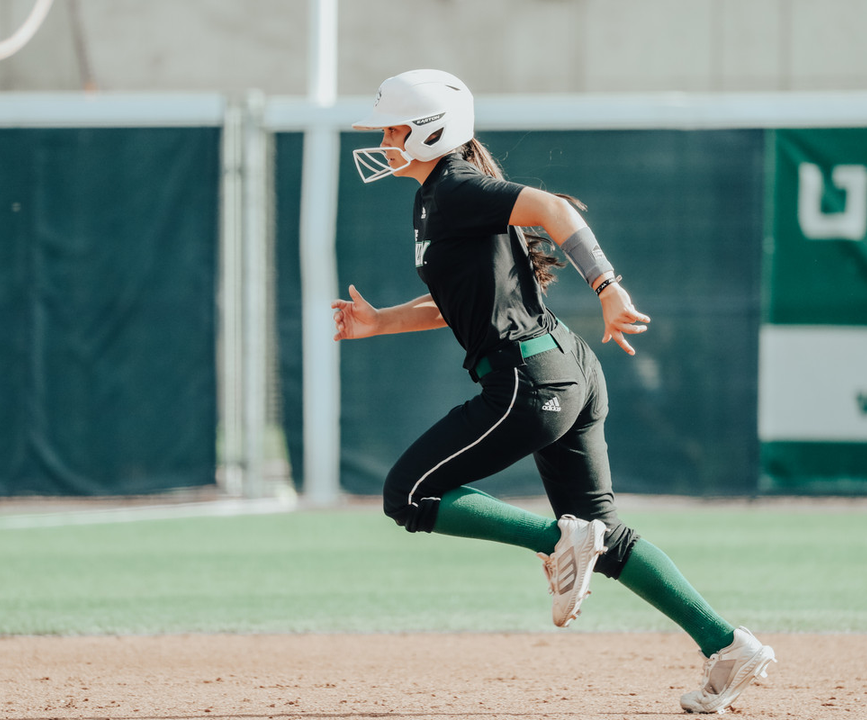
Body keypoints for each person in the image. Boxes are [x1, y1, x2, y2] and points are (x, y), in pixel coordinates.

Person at [332, 69, 776, 714]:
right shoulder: (438, 195)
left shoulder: (454, 187)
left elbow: (556, 210)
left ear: (431, 132)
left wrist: (607, 285)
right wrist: (381, 322)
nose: (384, 139)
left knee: (409, 495)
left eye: (393, 127)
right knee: (607, 535)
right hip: (564, 369)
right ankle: (730, 645)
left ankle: (561, 540)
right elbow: (460, 301)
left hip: (529, 379)